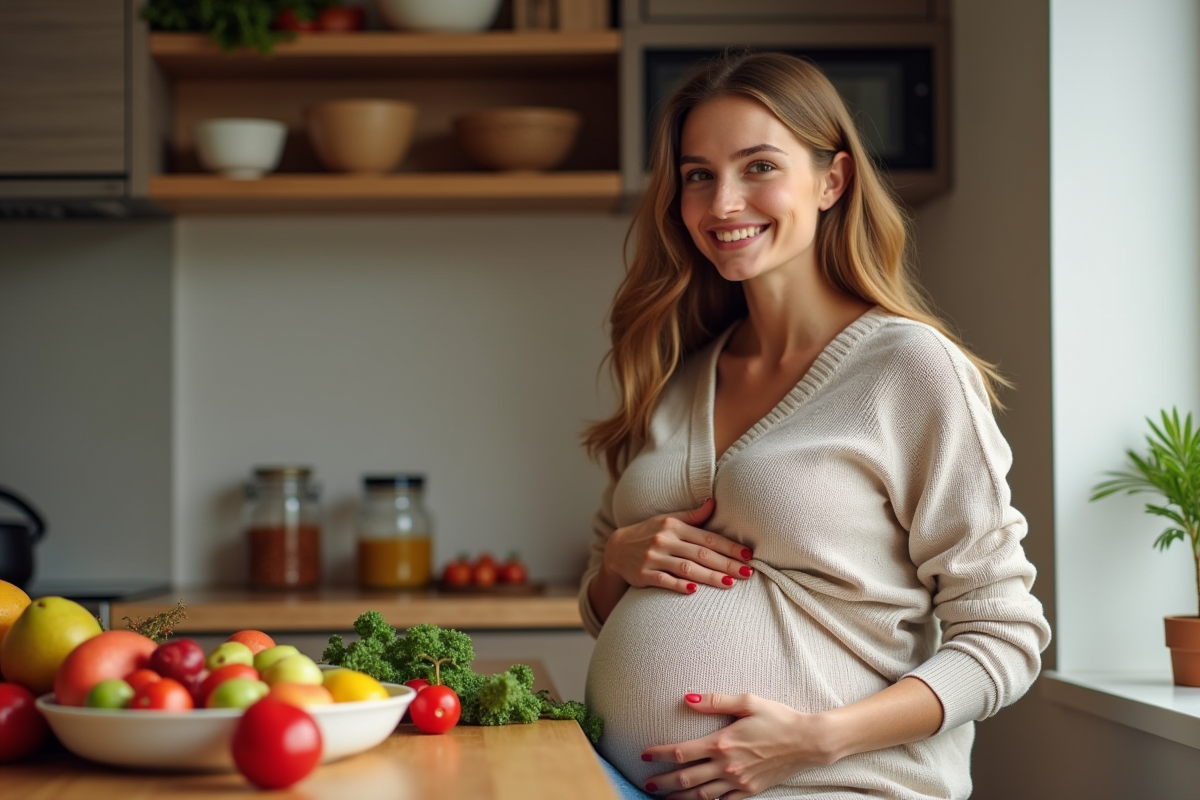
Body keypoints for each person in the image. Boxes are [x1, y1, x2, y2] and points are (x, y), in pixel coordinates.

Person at [576, 51, 1051, 800]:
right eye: (698, 175)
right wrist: (616, 565)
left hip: (835, 786)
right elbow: (605, 610)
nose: (723, 202)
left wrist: (813, 740)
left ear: (832, 180)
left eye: (758, 166)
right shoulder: (678, 377)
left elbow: (1005, 637)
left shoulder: (908, 367)